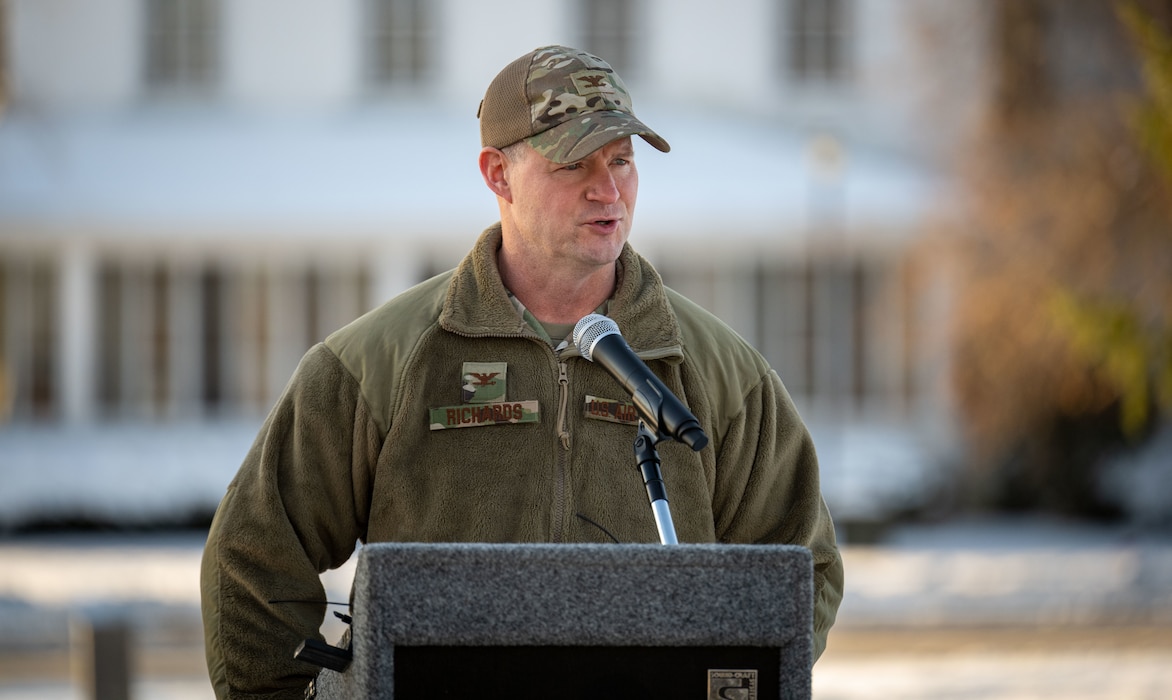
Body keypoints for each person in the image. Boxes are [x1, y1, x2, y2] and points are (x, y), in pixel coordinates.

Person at [200, 45, 844, 699]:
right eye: (575, 162)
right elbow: (254, 559)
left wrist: (723, 681)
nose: (609, 188)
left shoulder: (718, 372)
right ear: (497, 174)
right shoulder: (378, 363)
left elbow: (801, 569)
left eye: (622, 159)